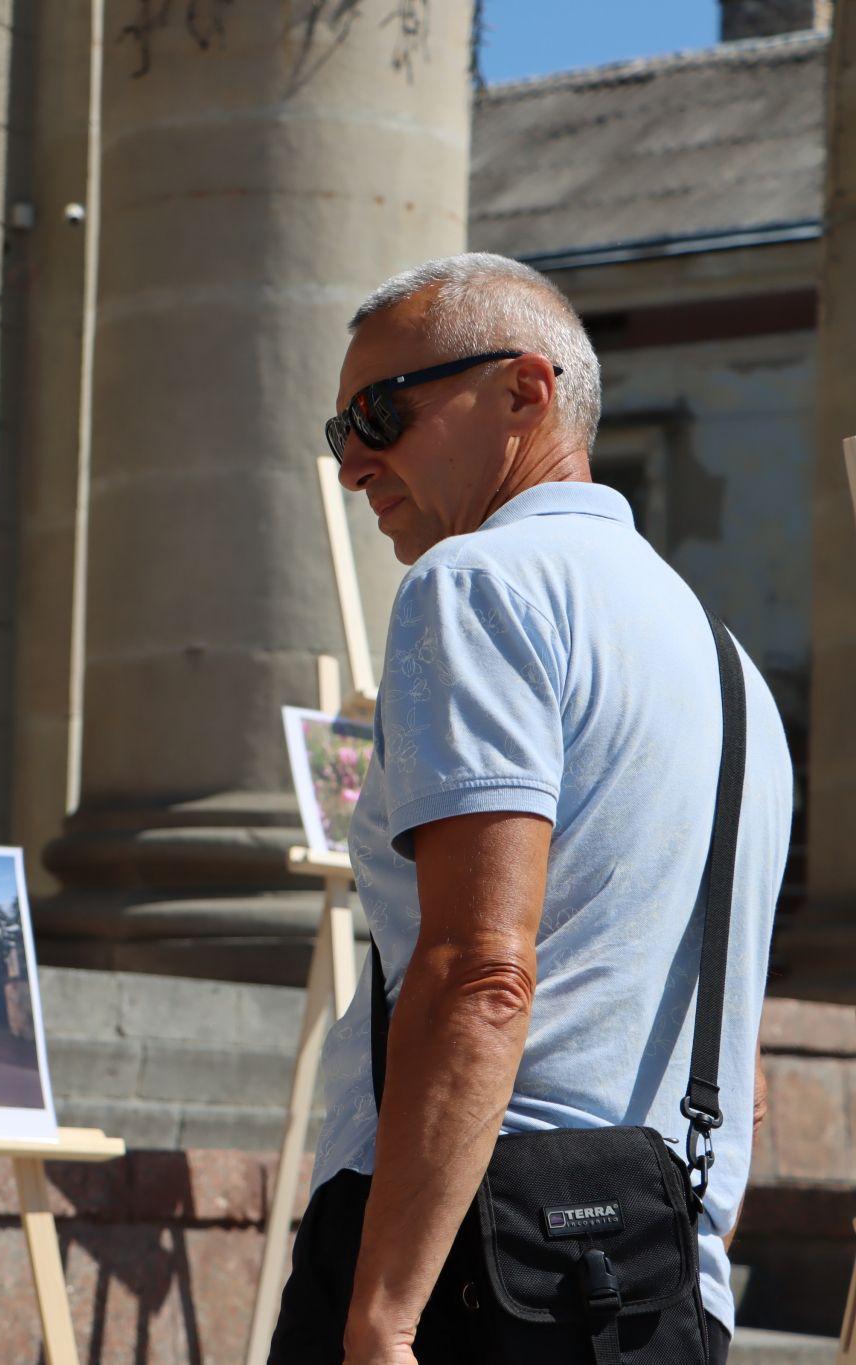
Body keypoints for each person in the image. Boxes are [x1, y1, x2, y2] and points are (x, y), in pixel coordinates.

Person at [268, 253, 791, 1364]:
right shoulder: (726, 664)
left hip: (466, 1263)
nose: (354, 461)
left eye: (380, 411)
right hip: (657, 1279)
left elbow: (478, 973)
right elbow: (734, 1059)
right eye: (338, 430)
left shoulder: (476, 586)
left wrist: (379, 1316)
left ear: (525, 390)